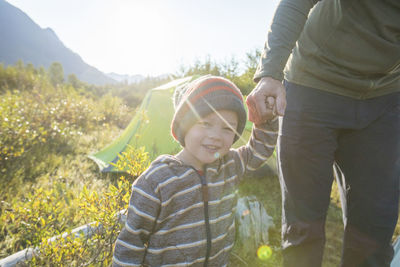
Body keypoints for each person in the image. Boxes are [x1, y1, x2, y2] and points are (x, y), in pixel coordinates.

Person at [246, 0, 400, 266]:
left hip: (385, 98)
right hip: (313, 86)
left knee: (374, 236)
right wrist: (271, 72)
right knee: (303, 228)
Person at [112, 75, 278, 266]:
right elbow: (131, 243)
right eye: (205, 123)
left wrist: (266, 118)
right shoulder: (156, 181)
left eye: (227, 128)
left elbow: (260, 149)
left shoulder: (229, 165)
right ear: (184, 125)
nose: (215, 136)